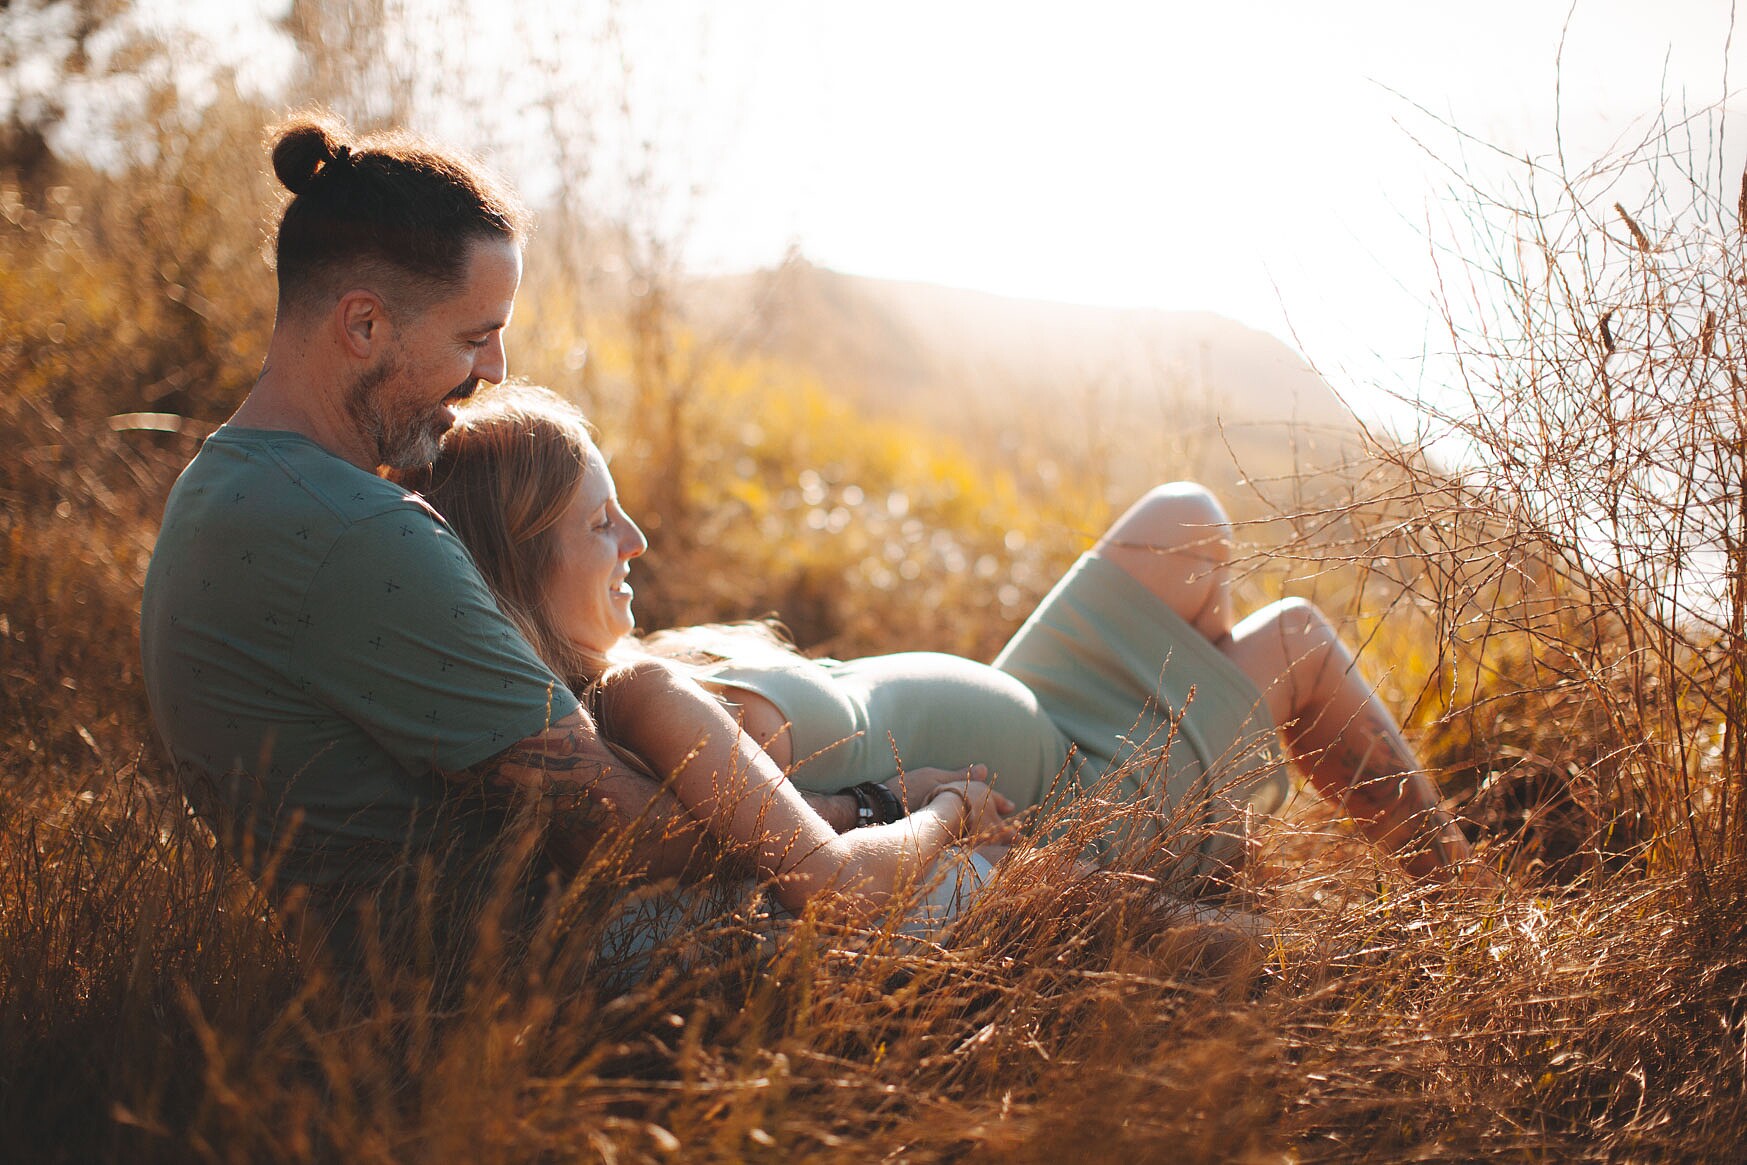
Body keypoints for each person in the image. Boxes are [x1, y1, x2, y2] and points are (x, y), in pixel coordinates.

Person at [396, 385, 1483, 927]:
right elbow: (821, 871)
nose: (638, 542)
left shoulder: (644, 666)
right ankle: (1459, 899)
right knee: (1290, 634)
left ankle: (1216, 782)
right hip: (1069, 790)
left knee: (1187, 520)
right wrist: (945, 813)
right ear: (523, 561)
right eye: (600, 526)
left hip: (1047, 700)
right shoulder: (636, 696)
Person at [140, 118, 640, 973]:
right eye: (474, 335)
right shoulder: (360, 531)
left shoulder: (220, 480)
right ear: (363, 324)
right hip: (533, 977)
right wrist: (863, 807)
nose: (494, 369)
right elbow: (626, 831)